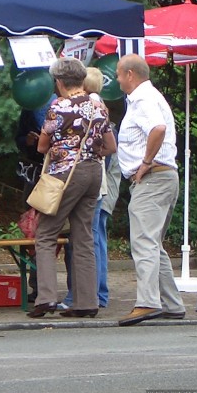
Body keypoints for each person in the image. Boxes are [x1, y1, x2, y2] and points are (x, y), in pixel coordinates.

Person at [27, 57, 116, 319]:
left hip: (66, 175)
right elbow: (110, 147)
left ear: (60, 82)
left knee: (45, 234)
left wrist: (61, 148)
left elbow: (43, 146)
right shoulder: (98, 105)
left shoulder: (59, 107)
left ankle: (45, 298)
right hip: (93, 173)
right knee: (84, 236)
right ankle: (87, 302)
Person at [115, 54, 186, 326]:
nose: (118, 80)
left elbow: (158, 128)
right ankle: (172, 303)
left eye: (120, 75)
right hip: (165, 177)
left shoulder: (143, 99)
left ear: (130, 74)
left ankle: (147, 302)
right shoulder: (151, 96)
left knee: (143, 242)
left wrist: (144, 163)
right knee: (153, 243)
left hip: (153, 178)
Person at [14, 97, 73, 307]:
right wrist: (28, 141)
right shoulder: (30, 104)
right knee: (34, 229)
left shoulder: (67, 105)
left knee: (60, 232)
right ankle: (37, 286)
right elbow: (19, 138)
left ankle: (65, 291)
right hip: (35, 174)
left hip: (59, 175)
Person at [84, 67, 121, 308]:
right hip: (106, 185)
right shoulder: (103, 108)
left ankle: (96, 293)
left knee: (93, 238)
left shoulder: (92, 109)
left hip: (99, 186)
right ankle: (101, 292)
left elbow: (105, 154)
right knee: (99, 238)